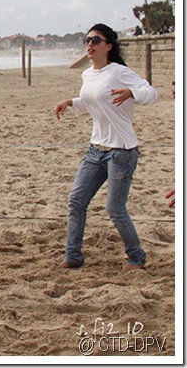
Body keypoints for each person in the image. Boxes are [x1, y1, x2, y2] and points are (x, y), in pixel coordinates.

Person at [54, 23, 157, 272]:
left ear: (108, 46)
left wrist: (132, 92)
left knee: (114, 209)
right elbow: (93, 101)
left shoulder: (119, 71)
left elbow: (151, 93)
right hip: (95, 149)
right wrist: (71, 102)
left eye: (95, 40)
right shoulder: (88, 74)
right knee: (76, 201)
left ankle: (136, 258)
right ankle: (73, 256)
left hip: (121, 151)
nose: (90, 44)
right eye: (87, 40)